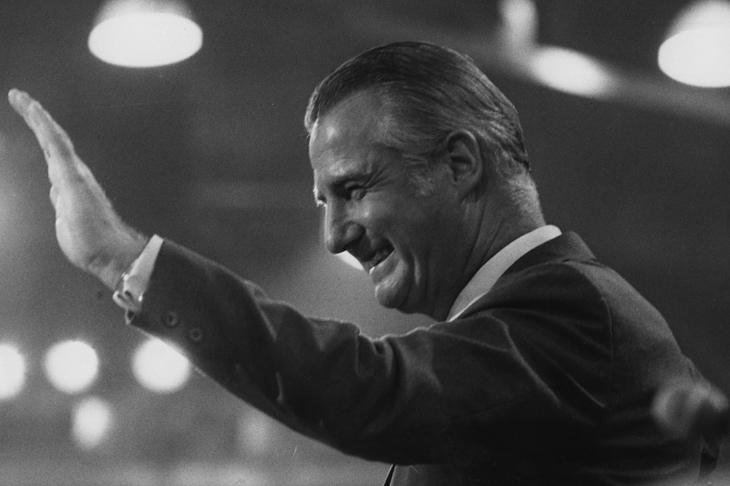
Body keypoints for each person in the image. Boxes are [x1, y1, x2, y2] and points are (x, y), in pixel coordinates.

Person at [8, 41, 716, 485]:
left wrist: (122, 257)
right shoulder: (542, 330)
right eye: (323, 201)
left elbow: (370, 390)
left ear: (460, 164)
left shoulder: (576, 312)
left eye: (354, 189)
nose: (334, 236)